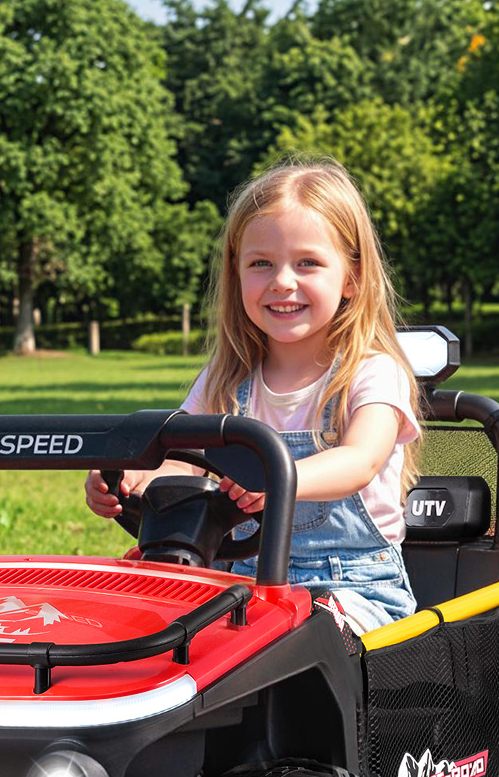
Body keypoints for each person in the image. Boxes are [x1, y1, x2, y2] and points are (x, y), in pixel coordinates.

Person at [85, 158, 421, 633]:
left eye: (307, 263)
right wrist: (135, 477)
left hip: (353, 590)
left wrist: (275, 477)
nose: (282, 280)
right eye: (261, 263)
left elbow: (359, 460)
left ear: (352, 278)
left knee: (296, 637)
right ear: (237, 274)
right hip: (240, 586)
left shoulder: (371, 373)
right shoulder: (228, 382)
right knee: (144, 624)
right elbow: (182, 456)